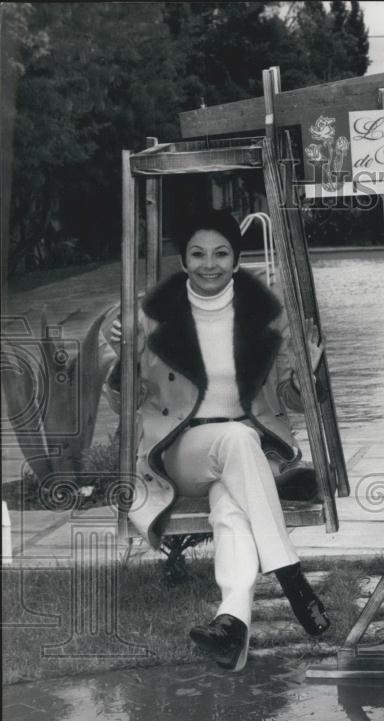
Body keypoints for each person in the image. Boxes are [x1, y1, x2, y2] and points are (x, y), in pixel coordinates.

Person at [105, 209, 330, 672]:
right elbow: (121, 404)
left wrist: (309, 370)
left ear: (237, 258)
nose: (210, 263)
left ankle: (231, 623)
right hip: (179, 450)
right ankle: (289, 573)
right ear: (184, 260)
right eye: (198, 253)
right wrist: (121, 356)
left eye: (221, 253)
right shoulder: (148, 317)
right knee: (235, 439)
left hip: (250, 453)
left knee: (232, 504)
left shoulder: (269, 317)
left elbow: (294, 400)